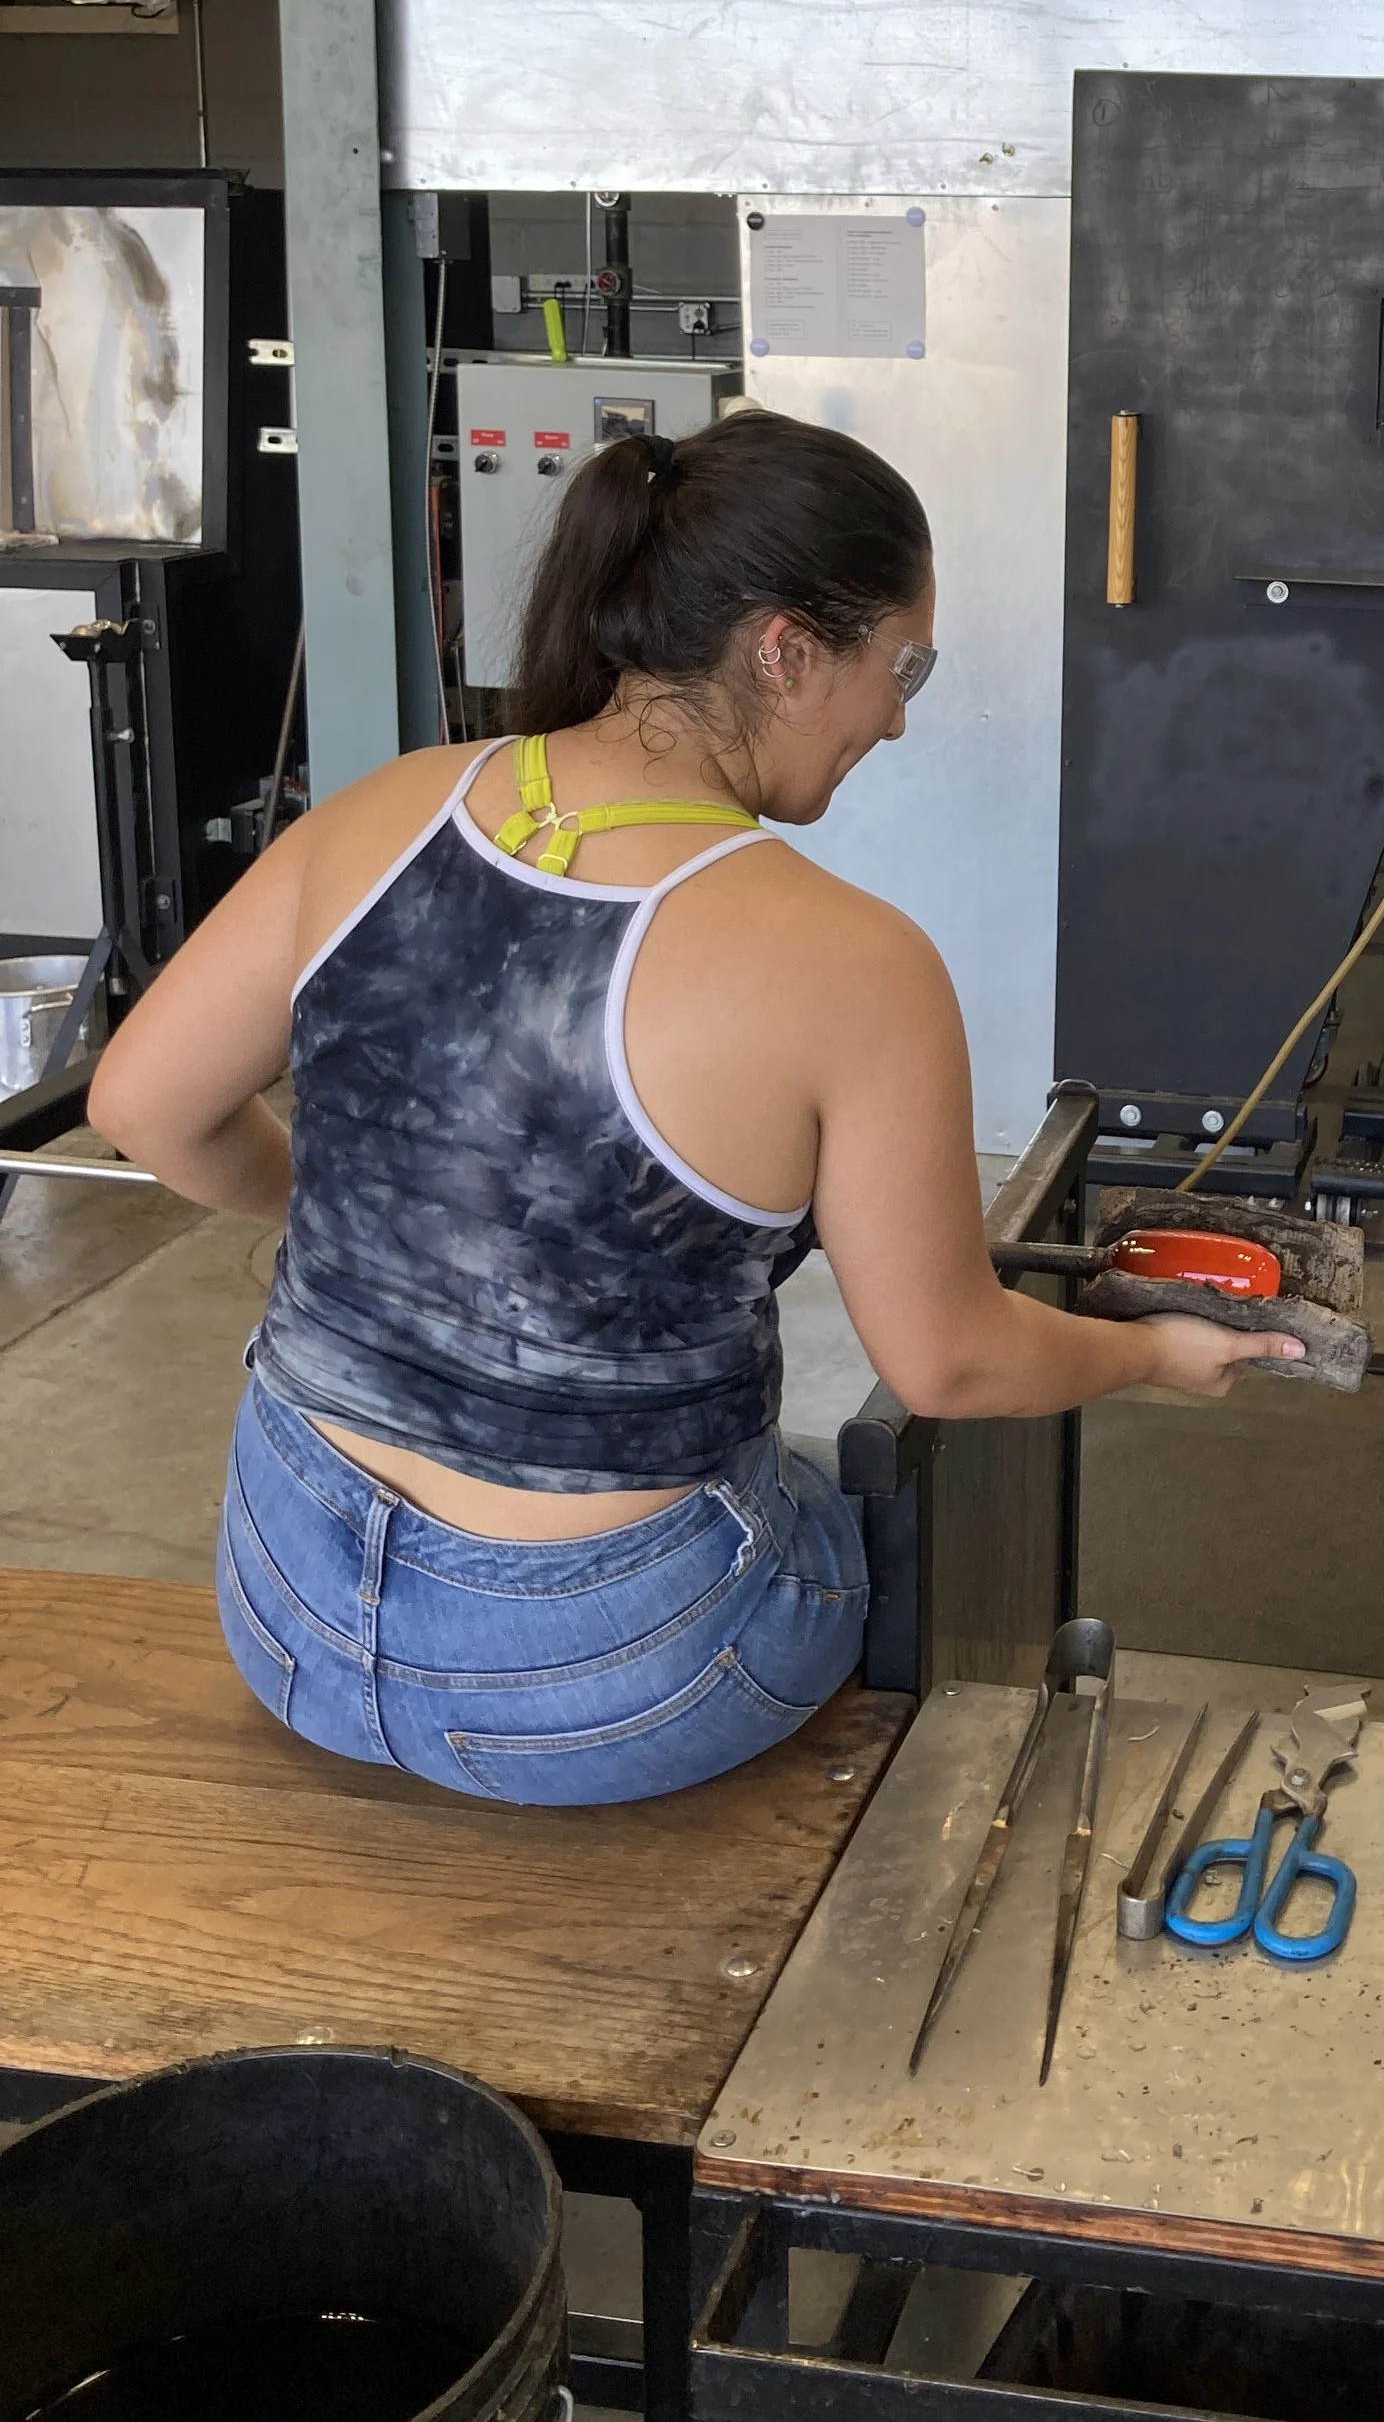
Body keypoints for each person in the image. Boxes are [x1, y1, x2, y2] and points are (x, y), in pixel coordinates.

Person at [89, 410, 1297, 1805]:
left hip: (286, 1594)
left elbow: (144, 1106)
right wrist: (1151, 1358)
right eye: (901, 666)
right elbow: (950, 1367)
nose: (900, 716)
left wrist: (378, 1221)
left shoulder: (388, 808)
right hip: (607, 1680)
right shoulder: (852, 962)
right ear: (785, 651)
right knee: (854, 1534)